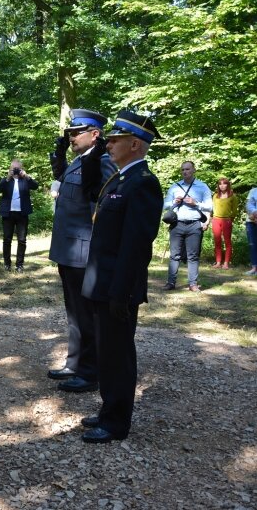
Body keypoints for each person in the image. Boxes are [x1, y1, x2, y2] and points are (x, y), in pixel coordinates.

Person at [79, 110, 163, 444]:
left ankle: (116, 423)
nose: (110, 144)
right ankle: (107, 410)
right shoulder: (119, 179)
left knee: (118, 355)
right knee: (106, 351)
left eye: (116, 139)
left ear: (135, 144)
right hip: (103, 283)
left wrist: (121, 292)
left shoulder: (143, 184)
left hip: (118, 288)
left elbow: (136, 246)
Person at [47, 109, 117, 394]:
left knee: (87, 314)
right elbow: (63, 183)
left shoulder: (102, 163)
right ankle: (75, 363)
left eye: (77, 132)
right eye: (70, 133)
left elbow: (103, 211)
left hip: (84, 252)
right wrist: (59, 156)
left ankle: (91, 372)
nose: (72, 137)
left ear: (95, 134)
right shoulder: (80, 162)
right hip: (68, 250)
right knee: (74, 312)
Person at [162, 161, 213, 292]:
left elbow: (210, 206)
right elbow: (164, 204)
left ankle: (193, 284)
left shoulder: (202, 187)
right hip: (177, 224)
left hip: (194, 225)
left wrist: (196, 203)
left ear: (194, 170)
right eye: (183, 169)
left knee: (193, 256)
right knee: (174, 255)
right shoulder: (174, 187)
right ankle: (171, 283)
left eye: (188, 169)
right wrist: (174, 202)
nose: (185, 172)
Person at [0, 159, 38, 272]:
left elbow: (35, 186)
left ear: (21, 169)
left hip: (22, 214)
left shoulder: (25, 180)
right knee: (7, 239)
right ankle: (7, 264)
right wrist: (7, 178)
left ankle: (19, 265)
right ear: (10, 169)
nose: (15, 170)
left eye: (17, 168)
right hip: (8, 213)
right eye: (13, 168)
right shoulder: (6, 180)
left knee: (22, 240)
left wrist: (27, 176)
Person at [211, 177, 238, 269]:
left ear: (228, 185)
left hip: (226, 220)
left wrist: (230, 219)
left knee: (227, 242)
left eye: (224, 184)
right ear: (218, 186)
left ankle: (226, 263)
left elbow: (234, 210)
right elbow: (212, 208)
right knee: (217, 241)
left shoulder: (232, 196)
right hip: (215, 220)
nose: (222, 186)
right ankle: (218, 262)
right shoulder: (215, 196)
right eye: (220, 184)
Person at [246, 186, 257, 276]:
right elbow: (249, 205)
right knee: (252, 245)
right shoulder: (254, 190)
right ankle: (254, 268)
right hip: (252, 221)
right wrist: (255, 212)